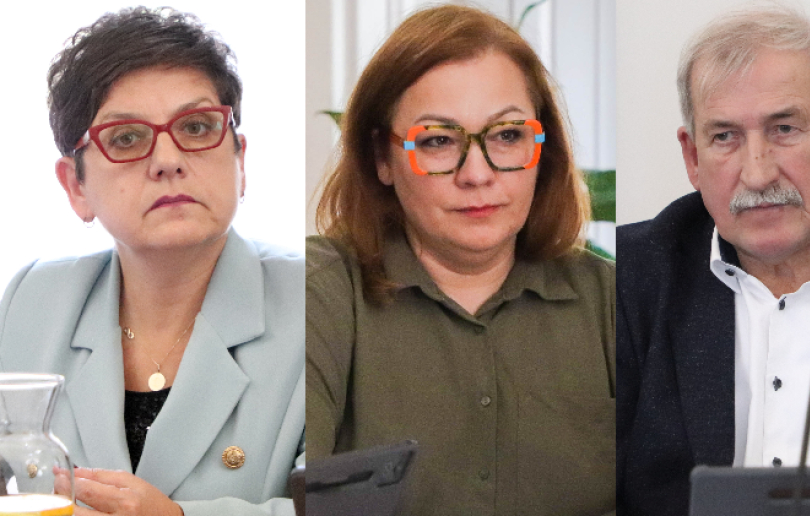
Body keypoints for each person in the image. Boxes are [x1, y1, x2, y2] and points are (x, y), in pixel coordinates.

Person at [305, 5, 614, 516]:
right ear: (382, 157)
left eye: (507, 135)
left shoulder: (611, 300)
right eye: (439, 141)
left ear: (543, 148)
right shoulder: (320, 293)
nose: (477, 174)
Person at [0, 7, 305, 516]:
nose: (168, 160)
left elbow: (358, 504)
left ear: (240, 160)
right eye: (126, 137)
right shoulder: (32, 300)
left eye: (197, 126)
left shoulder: (317, 303)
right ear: (76, 186)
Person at [617, 5, 810, 515]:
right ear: (692, 158)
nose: (757, 174)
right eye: (725, 137)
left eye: (783, 129)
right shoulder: (627, 281)